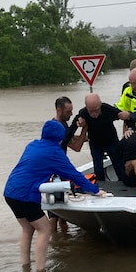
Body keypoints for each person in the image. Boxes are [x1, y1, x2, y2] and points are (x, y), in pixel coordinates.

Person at [4, 120, 105, 272]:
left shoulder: (32, 145)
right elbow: (73, 175)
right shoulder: (54, 152)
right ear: (60, 137)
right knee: (44, 229)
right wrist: (96, 191)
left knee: (27, 229)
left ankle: (25, 267)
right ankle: (40, 271)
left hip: (10, 191)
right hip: (25, 195)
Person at [65, 93, 126, 181]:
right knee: (98, 169)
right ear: (86, 107)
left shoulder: (107, 109)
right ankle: (101, 187)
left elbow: (122, 115)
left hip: (111, 141)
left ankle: (124, 184)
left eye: (96, 110)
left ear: (100, 105)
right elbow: (71, 129)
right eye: (91, 111)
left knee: (119, 166)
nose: (94, 113)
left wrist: (128, 126)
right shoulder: (83, 113)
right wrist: (63, 140)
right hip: (95, 144)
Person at [48, 96, 86, 232]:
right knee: (55, 211)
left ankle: (61, 243)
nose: (70, 114)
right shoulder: (59, 127)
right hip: (56, 171)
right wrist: (85, 128)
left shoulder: (56, 124)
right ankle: (53, 241)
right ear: (59, 110)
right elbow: (76, 147)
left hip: (54, 168)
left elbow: (70, 138)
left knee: (59, 208)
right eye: (68, 112)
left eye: (71, 111)